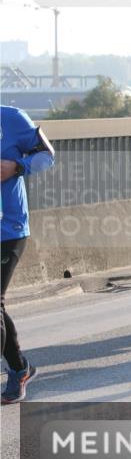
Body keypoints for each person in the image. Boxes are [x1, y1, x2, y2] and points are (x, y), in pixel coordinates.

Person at [1, 106, 54, 404]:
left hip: (7, 230)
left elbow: (47, 156)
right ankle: (20, 368)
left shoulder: (12, 118)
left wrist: (17, 167)